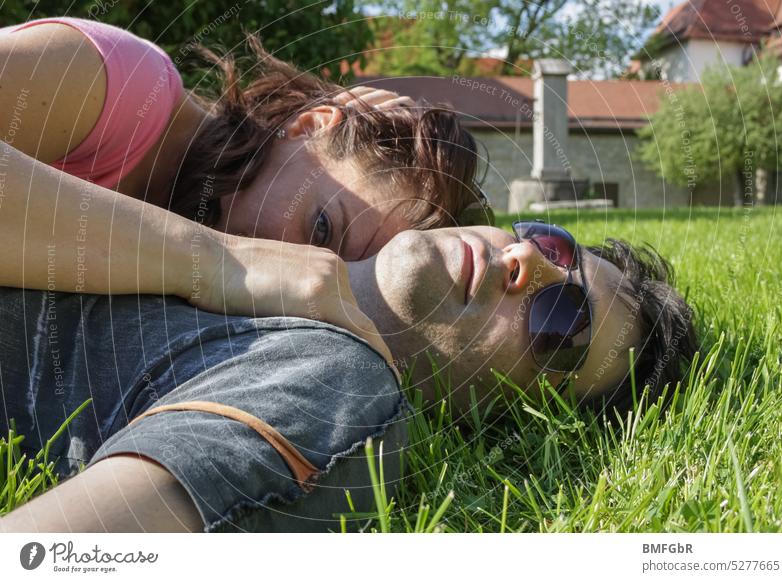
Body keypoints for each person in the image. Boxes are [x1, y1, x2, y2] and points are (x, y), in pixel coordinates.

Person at [0, 222, 697, 532]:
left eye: (560, 322)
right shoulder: (232, 226)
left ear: (512, 419)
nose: (525, 262)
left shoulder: (341, 393)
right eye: (554, 243)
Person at [0, 17, 485, 362]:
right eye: (321, 229)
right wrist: (217, 259)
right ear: (309, 126)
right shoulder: (123, 85)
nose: (312, 278)